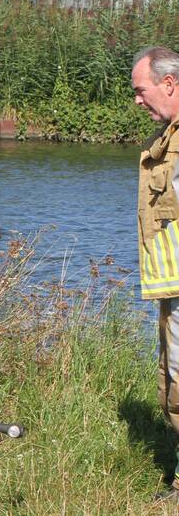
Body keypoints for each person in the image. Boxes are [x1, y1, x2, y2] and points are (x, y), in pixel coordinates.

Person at [132, 45, 179, 499]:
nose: (137, 100)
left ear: (168, 84)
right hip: (173, 288)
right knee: (174, 381)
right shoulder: (168, 140)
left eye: (141, 90)